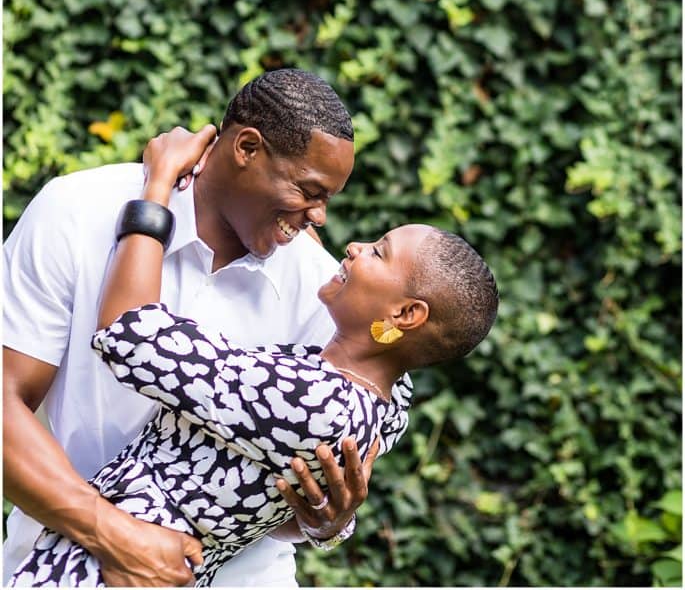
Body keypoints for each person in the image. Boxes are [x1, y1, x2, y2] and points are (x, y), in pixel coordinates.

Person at [8, 127, 498, 587]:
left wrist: (157, 185)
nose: (342, 237)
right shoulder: (382, 406)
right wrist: (326, 520)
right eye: (311, 191)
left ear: (407, 314)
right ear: (246, 150)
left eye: (379, 252)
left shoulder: (308, 394)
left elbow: (131, 337)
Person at [4, 69, 375, 588]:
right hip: (64, 565)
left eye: (328, 198)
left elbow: (291, 503)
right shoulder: (78, 211)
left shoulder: (324, 290)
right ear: (247, 147)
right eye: (309, 190)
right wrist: (112, 534)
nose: (320, 217)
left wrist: (326, 520)